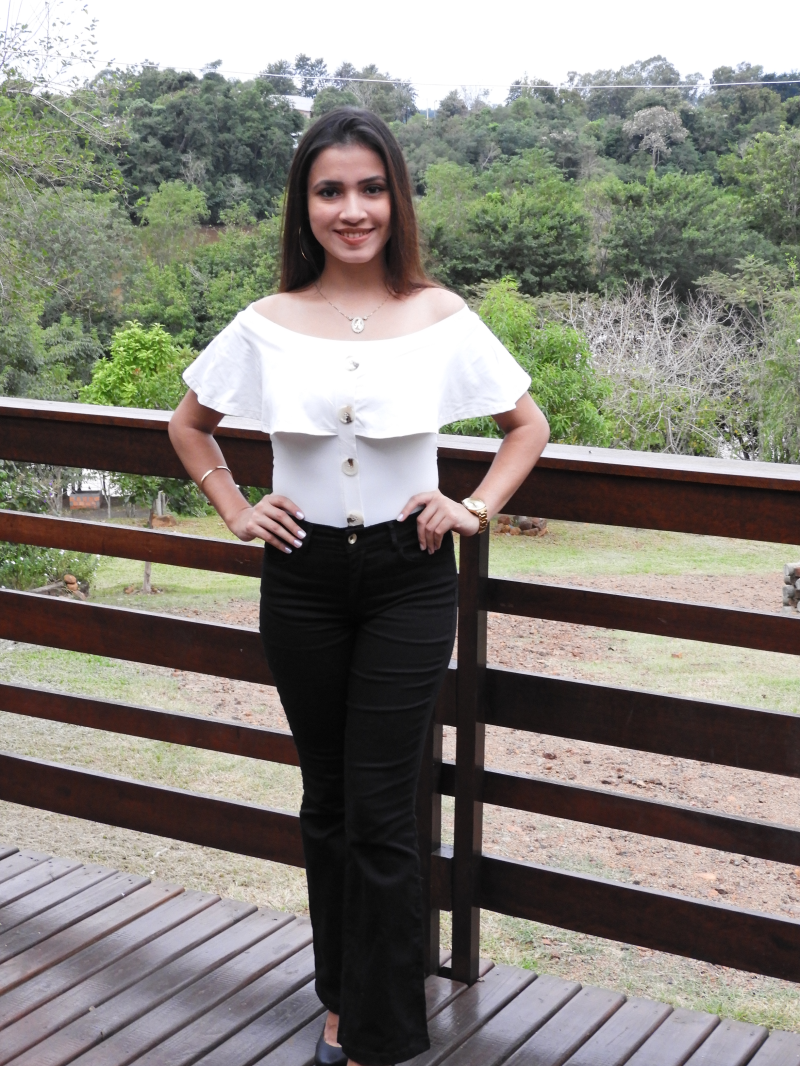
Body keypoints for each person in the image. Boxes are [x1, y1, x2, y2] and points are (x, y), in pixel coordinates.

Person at [168, 107, 549, 1066]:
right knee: (328, 800)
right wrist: (235, 507)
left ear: (396, 199)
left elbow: (527, 426)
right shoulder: (267, 322)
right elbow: (188, 425)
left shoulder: (439, 313)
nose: (353, 210)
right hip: (300, 577)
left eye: (371, 189)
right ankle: (340, 1000)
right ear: (304, 204)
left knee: (382, 807)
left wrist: (473, 508)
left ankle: (384, 1030)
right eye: (330, 190)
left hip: (406, 577)